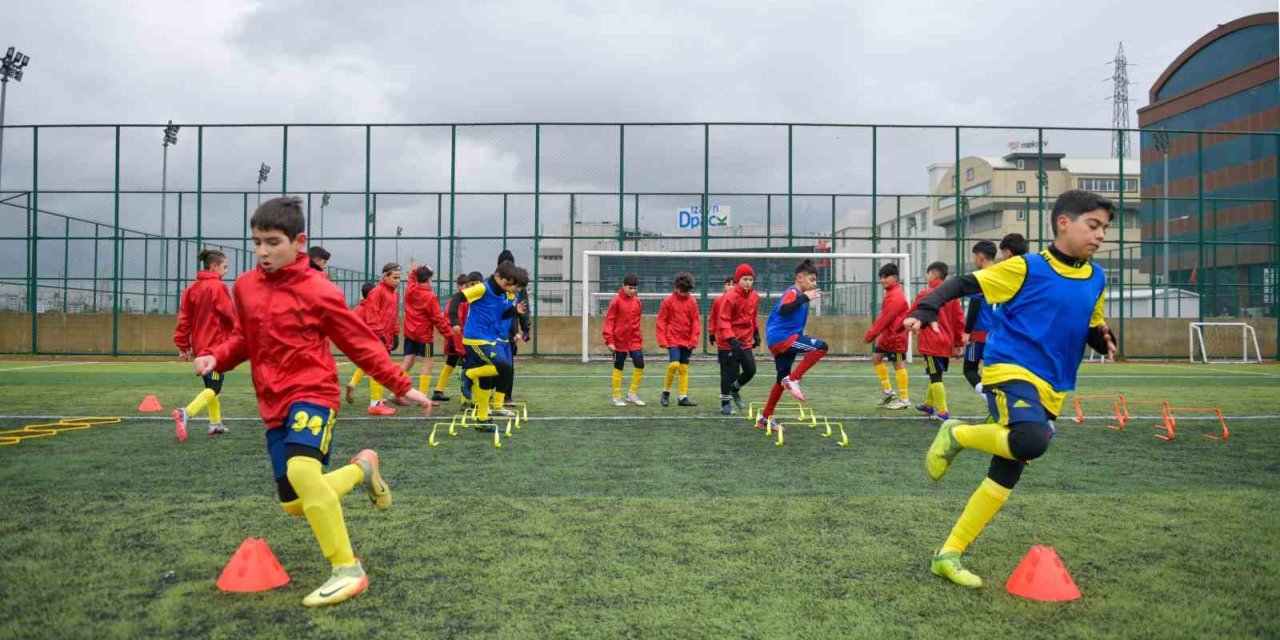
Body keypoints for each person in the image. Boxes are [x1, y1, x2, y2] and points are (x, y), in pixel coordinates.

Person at [193, 196, 432, 608]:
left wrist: (398, 382)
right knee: (294, 504)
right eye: (256, 243)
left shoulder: (319, 289)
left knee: (304, 473)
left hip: (313, 392)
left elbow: (357, 340)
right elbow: (245, 339)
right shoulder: (245, 288)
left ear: (298, 241)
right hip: (272, 403)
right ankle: (362, 469)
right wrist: (219, 355)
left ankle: (347, 569)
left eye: (272, 242)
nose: (263, 252)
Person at [905, 189, 1117, 589]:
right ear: (1063, 223)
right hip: (1011, 368)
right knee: (1032, 439)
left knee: (1007, 472)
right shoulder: (1026, 268)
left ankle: (948, 554)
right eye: (1093, 225)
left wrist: (1102, 337)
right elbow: (965, 283)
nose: (1100, 235)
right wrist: (926, 308)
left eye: (1104, 228)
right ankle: (956, 433)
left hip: (1054, 384)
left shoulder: (1097, 277)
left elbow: (1091, 323)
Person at [172, 248, 236, 440]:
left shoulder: (191, 289)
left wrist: (183, 346)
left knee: (211, 385)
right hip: (215, 348)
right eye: (224, 267)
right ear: (214, 266)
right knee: (215, 387)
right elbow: (230, 315)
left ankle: (215, 424)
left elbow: (184, 321)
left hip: (201, 348)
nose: (225, 271)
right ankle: (187, 412)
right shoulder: (218, 287)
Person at [757, 259, 827, 431]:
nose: (814, 283)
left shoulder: (801, 298)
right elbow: (784, 309)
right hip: (783, 338)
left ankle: (765, 418)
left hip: (781, 339)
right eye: (811, 279)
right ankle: (794, 380)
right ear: (799, 277)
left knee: (781, 379)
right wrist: (804, 298)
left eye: (815, 280)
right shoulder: (793, 292)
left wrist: (804, 300)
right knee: (821, 346)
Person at [461, 262, 527, 425]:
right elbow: (459, 298)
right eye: (513, 285)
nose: (514, 289)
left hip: (493, 338)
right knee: (502, 368)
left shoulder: (503, 294)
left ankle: (483, 417)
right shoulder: (487, 289)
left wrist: (517, 320)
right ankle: (468, 377)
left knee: (490, 376)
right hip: (480, 338)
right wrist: (455, 322)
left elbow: (502, 315)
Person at [344, 264, 402, 415]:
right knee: (377, 369)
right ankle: (375, 404)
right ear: (385, 277)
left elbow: (393, 315)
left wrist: (395, 333)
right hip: (377, 336)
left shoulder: (395, 294)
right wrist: (379, 334)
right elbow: (373, 315)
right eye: (395, 278)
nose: (398, 281)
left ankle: (378, 401)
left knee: (377, 369)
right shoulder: (376, 293)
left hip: (386, 337)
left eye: (399, 278)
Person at [909, 261, 964, 421]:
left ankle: (943, 411)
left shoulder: (925, 294)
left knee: (935, 377)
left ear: (933, 274)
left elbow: (912, 314)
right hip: (945, 342)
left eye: (928, 274)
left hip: (931, 342)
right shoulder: (952, 296)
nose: (927, 277)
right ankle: (928, 404)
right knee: (935, 374)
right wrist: (958, 342)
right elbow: (959, 320)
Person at [400, 259, 455, 400]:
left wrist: (418, 269)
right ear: (430, 278)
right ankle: (423, 397)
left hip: (409, 334)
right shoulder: (430, 297)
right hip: (424, 337)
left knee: (406, 363)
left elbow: (411, 277)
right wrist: (450, 336)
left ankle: (397, 391)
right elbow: (438, 320)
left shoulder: (410, 290)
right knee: (427, 364)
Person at [864, 263, 911, 410]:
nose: (883, 280)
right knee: (876, 358)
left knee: (898, 365)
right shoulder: (891, 293)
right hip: (889, 336)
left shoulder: (896, 295)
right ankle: (889, 392)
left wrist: (871, 334)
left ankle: (904, 399)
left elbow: (885, 318)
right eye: (881, 277)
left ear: (895, 278)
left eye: (886, 277)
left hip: (896, 336)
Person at [715, 264, 759, 415]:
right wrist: (731, 339)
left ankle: (735, 389)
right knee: (728, 372)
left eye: (750, 279)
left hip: (745, 340)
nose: (748, 282)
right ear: (738, 280)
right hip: (729, 342)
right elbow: (723, 320)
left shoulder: (754, 297)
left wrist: (757, 332)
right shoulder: (729, 298)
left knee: (751, 369)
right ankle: (725, 404)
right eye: (745, 279)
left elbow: (753, 317)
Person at [656, 272, 700, 407]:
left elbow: (695, 322)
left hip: (687, 340)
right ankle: (665, 393)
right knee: (674, 365)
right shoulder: (668, 301)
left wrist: (693, 340)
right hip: (672, 339)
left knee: (684, 368)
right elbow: (661, 320)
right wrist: (662, 339)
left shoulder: (692, 301)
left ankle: (683, 397)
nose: (684, 293)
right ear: (676, 287)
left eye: (686, 291)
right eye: (682, 291)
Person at [603, 273, 646, 407]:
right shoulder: (616, 301)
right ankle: (616, 397)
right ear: (624, 287)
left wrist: (638, 337)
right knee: (619, 367)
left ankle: (632, 394)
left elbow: (637, 321)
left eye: (635, 288)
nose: (633, 291)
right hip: (619, 341)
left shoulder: (638, 301)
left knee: (640, 364)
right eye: (630, 288)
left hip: (634, 340)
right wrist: (609, 340)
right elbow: (609, 321)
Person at [962, 241, 998, 393]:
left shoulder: (980, 277)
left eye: (975, 256)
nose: (974, 260)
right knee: (995, 374)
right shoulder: (1001, 274)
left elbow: (975, 305)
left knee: (969, 370)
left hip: (979, 333)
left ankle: (991, 401)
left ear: (981, 256)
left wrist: (967, 331)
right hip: (998, 334)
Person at [433, 273, 472, 404]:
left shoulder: (459, 300)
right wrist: (456, 338)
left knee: (451, 363)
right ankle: (465, 398)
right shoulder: (460, 300)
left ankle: (438, 390)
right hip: (457, 338)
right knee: (465, 366)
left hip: (456, 337)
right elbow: (454, 320)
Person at [707, 277, 733, 349]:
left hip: (737, 338)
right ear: (724, 286)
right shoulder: (717, 301)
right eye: (728, 284)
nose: (731, 287)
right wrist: (711, 333)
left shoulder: (740, 301)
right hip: (722, 339)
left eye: (733, 285)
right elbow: (713, 318)